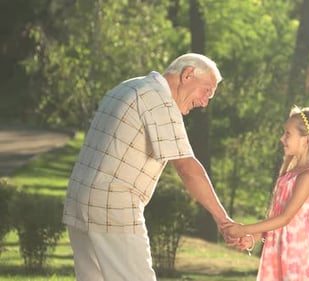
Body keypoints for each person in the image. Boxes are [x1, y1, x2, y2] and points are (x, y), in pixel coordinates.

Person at [62, 53, 234, 281]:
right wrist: (223, 220)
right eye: (206, 92)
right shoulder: (158, 99)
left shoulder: (129, 86)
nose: (204, 103)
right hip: (113, 207)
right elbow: (186, 168)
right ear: (188, 74)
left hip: (80, 201)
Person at [224, 106, 309, 280]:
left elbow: (285, 218)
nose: (282, 138)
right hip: (280, 249)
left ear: (307, 140)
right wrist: (254, 236)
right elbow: (275, 216)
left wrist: (243, 229)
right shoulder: (290, 174)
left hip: (298, 253)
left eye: (288, 134)